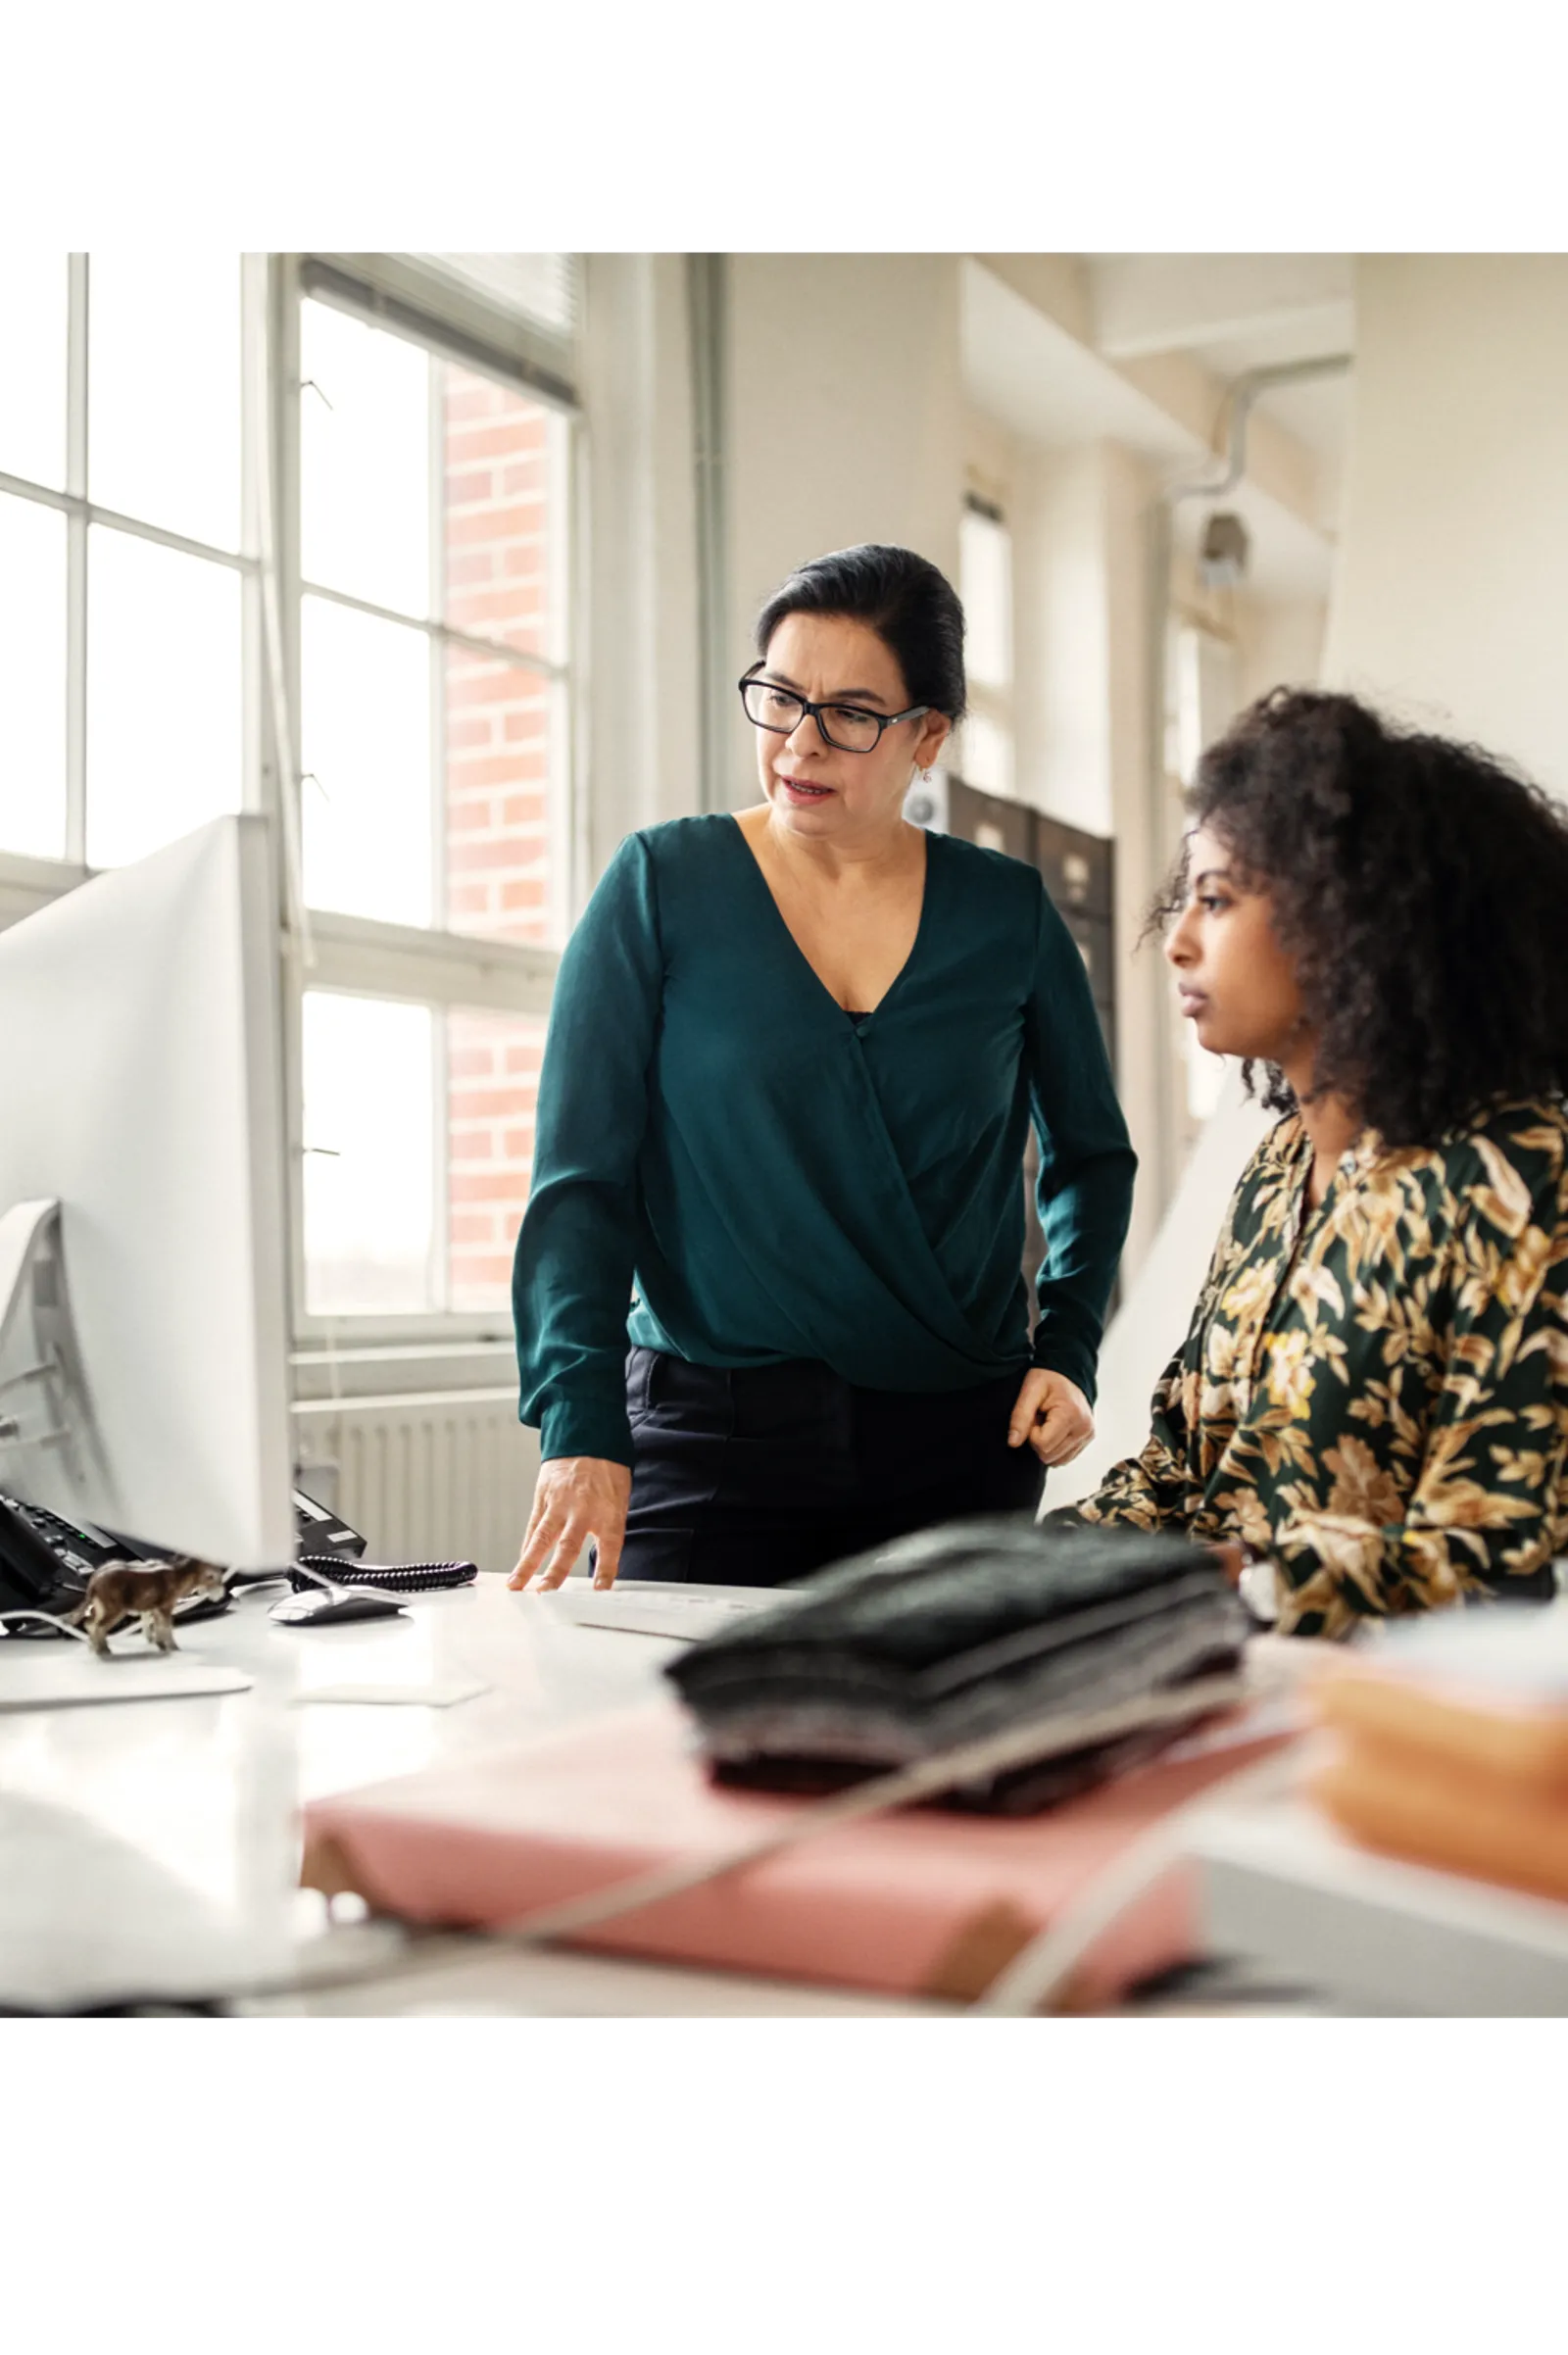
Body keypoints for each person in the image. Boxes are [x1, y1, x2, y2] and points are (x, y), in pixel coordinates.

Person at [509, 544, 1136, 1591]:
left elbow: (1090, 1155)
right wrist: (577, 1417)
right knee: (661, 1744)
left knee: (945, 1755)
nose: (801, 744)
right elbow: (580, 1181)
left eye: (850, 713)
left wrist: (1068, 1349)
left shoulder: (1008, 916)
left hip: (958, 1445)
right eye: (779, 698)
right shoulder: (661, 886)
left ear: (928, 734)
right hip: (706, 1436)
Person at [1065, 688, 1568, 1639]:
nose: (1175, 941)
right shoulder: (1277, 1166)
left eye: (1215, 901)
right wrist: (1019, 1569)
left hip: (1389, 1730)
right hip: (1197, 1683)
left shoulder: (1517, 1174)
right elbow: (1177, 1464)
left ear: (1352, 920)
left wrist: (1241, 1582)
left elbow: (1504, 1550)